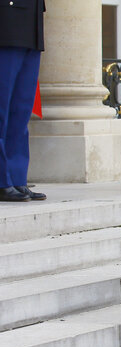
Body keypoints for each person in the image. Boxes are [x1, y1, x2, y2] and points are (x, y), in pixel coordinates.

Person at [0, 0, 47, 202]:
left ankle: (17, 178)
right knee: (1, 110)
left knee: (21, 112)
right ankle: (2, 181)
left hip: (30, 25)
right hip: (5, 26)